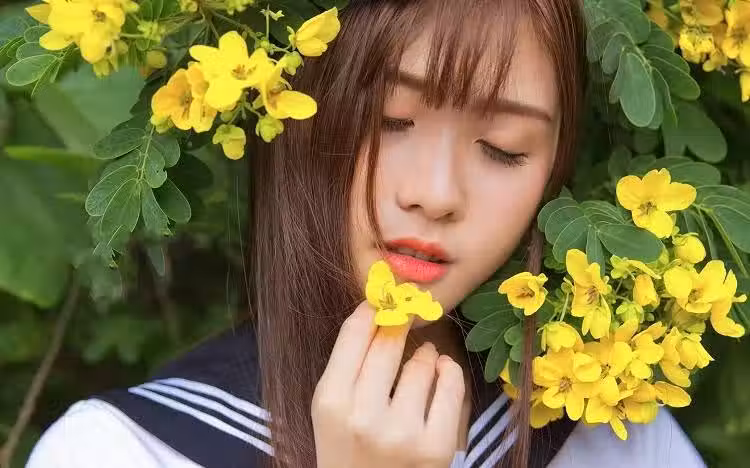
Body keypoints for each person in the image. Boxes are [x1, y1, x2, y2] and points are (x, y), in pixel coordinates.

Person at [26, 0, 706, 467]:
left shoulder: (609, 431)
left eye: (503, 148)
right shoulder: (116, 452)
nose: (435, 194)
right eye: (391, 121)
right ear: (288, 112)